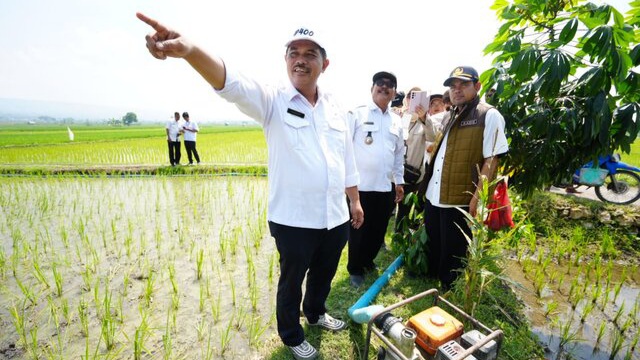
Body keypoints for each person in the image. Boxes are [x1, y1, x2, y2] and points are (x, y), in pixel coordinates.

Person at [137, 14, 364, 360]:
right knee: (291, 280)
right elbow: (231, 82)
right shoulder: (273, 99)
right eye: (293, 52)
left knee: (325, 271)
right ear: (285, 59)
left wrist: (355, 201)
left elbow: (346, 157)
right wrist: (189, 50)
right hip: (293, 218)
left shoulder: (335, 107)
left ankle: (316, 313)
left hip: (334, 215)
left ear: (325, 63)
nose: (300, 59)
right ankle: (291, 334)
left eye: (310, 53)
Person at [420, 66, 508, 290]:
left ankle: (450, 291)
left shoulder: (488, 115)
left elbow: (492, 160)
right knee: (436, 241)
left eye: (464, 85)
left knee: (454, 249)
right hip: (435, 193)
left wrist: (477, 198)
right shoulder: (451, 114)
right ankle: (433, 282)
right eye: (453, 86)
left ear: (477, 87)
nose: (456, 90)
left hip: (459, 197)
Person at [347, 71, 405, 287]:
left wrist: (399, 181)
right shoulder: (357, 114)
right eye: (379, 83)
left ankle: (367, 261)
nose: (384, 86)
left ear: (394, 93)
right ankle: (355, 269)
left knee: (378, 229)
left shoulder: (397, 121)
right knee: (358, 229)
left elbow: (399, 154)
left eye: (390, 85)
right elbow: (345, 150)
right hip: (360, 187)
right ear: (372, 88)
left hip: (385, 186)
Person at [394, 86, 429, 232]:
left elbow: (432, 137)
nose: (412, 99)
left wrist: (424, 118)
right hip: (393, 173)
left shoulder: (426, 121)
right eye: (410, 96)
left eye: (417, 96)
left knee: (404, 209)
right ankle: (380, 241)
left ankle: (400, 235)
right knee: (386, 207)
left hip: (412, 174)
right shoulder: (398, 117)